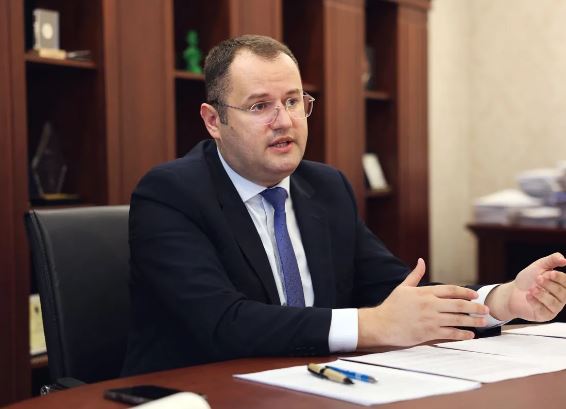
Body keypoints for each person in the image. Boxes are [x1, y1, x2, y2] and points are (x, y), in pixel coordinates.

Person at [121, 35, 566, 376]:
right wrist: (373, 326)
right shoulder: (170, 194)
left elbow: (394, 292)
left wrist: (502, 300)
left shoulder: (325, 187)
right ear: (213, 120)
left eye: (293, 101)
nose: (284, 120)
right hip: (198, 391)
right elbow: (222, 323)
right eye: (260, 106)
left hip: (312, 384)